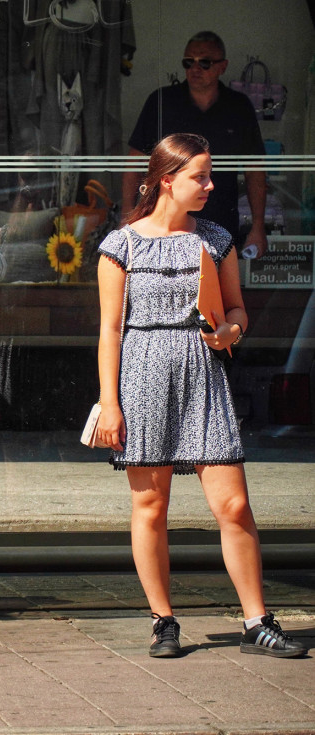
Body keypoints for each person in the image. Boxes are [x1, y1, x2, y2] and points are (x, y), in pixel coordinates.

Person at [95, 133, 306, 659]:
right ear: (167, 180)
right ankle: (163, 620)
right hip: (143, 378)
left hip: (204, 377)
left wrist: (230, 332)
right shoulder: (121, 245)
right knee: (151, 505)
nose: (211, 186)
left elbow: (237, 310)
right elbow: (110, 330)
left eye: (210, 176)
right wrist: (110, 403)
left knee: (234, 504)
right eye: (201, 177)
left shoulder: (215, 240)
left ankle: (256, 621)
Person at [122, 31, 267, 258]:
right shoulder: (161, 101)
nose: (195, 68)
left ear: (223, 66)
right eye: (188, 62)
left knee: (217, 281)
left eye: (205, 62)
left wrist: (258, 226)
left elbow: (255, 170)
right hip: (164, 223)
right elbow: (135, 162)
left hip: (221, 223)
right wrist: (127, 217)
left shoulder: (238, 107)